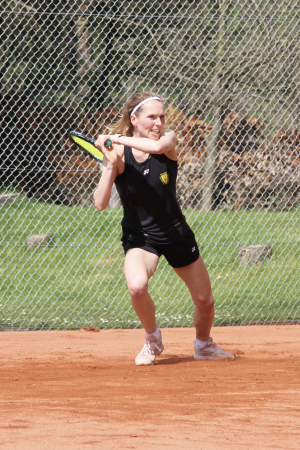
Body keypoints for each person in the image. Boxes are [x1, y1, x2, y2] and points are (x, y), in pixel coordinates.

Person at [93, 91, 235, 365]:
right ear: (134, 119)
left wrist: (115, 138)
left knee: (205, 302)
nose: (159, 123)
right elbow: (100, 203)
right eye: (152, 117)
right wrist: (110, 164)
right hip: (140, 236)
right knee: (136, 287)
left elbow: (156, 148)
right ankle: (152, 339)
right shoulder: (118, 154)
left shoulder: (167, 141)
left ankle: (203, 346)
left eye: (162, 116)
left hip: (176, 233)